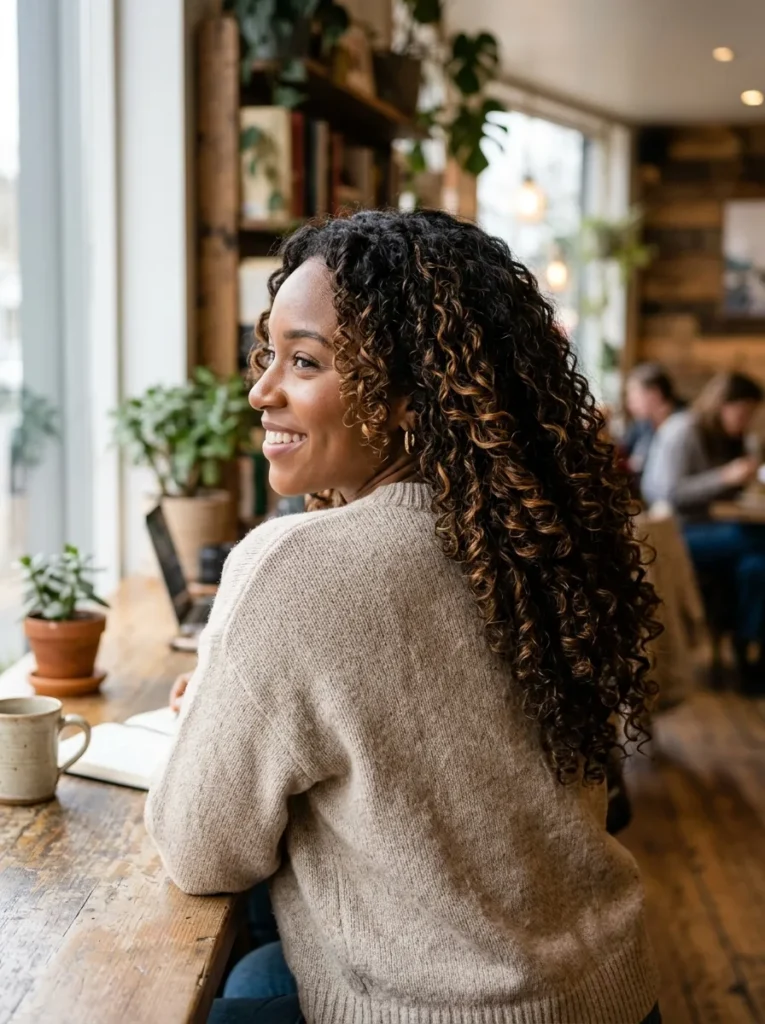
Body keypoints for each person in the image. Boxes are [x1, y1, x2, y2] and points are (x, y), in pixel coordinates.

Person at [146, 210, 663, 1024]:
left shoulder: (292, 569)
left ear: (406, 398)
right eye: (268, 353)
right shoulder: (544, 537)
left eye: (304, 361)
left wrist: (206, 715)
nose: (260, 389)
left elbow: (200, 850)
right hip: (610, 992)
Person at [641, 371, 765, 688]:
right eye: (744, 412)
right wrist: (726, 477)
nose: (746, 420)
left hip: (716, 533)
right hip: (677, 535)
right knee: (754, 538)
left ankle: (747, 648)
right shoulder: (684, 430)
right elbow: (670, 494)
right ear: (722, 404)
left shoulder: (725, 436)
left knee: (756, 566)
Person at [621, 363, 682, 478]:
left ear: (654, 394)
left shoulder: (683, 427)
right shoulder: (643, 424)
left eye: (633, 394)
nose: (629, 402)